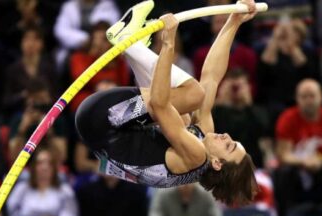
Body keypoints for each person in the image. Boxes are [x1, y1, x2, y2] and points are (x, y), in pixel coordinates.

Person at [75, 0, 258, 205]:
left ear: (216, 163)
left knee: (193, 95)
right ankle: (132, 46)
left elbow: (159, 103)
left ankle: (125, 38)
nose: (226, 136)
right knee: (186, 111)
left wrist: (168, 43)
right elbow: (211, 77)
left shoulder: (196, 157)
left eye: (229, 146)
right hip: (106, 128)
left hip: (101, 121)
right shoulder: (202, 141)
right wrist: (233, 22)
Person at [273, 79, 322, 216]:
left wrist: (321, 162)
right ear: (297, 99)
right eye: (304, 96)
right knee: (283, 173)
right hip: (298, 166)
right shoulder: (287, 118)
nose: (308, 100)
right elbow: (283, 154)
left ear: (321, 97)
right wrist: (304, 162)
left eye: (312, 96)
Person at [7, 147, 78, 216]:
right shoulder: (22, 189)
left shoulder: (64, 191)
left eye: (49, 163)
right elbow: (11, 212)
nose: (44, 167)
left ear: (54, 168)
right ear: (34, 166)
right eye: (40, 163)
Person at [257, 18, 317, 120]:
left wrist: (291, 45)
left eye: (293, 31)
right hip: (274, 100)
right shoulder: (271, 52)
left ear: (300, 36)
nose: (286, 35)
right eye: (284, 34)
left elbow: (305, 71)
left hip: (298, 97)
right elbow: (263, 69)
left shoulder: (307, 52)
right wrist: (275, 38)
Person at [69, 21, 129, 112]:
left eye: (104, 40)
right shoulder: (79, 57)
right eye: (96, 39)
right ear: (91, 40)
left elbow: (124, 83)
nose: (100, 44)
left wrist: (111, 86)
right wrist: (93, 55)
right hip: (86, 101)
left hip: (113, 101)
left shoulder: (118, 60)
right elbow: (81, 80)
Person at [3, 26, 57, 116]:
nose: (31, 44)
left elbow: (58, 95)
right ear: (21, 42)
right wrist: (23, 95)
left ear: (42, 43)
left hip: (47, 113)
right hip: (20, 113)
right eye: (27, 39)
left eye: (35, 39)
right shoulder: (13, 69)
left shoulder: (49, 67)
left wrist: (46, 98)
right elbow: (6, 101)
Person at [54, 0, 120, 69]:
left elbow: (115, 30)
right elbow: (60, 31)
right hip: (75, 50)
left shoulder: (108, 5)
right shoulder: (69, 6)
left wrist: (99, 40)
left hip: (103, 52)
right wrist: (87, 39)